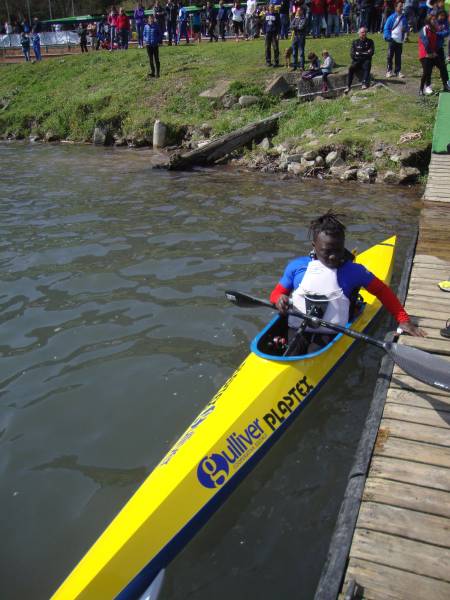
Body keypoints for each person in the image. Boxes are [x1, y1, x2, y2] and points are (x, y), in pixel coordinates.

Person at [270, 212, 425, 355]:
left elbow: (382, 291)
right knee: (291, 350)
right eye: (327, 251)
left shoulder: (354, 271)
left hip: (331, 330)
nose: (333, 256)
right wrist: (279, 300)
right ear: (314, 246)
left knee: (313, 350)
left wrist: (404, 320)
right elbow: (276, 294)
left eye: (338, 250)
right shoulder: (297, 267)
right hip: (299, 325)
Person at [418, 14, 450, 94]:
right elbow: (425, 42)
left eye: (435, 19)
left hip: (433, 54)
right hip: (425, 55)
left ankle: (445, 84)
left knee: (442, 67)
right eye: (433, 19)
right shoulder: (424, 29)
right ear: (429, 21)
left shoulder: (434, 30)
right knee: (426, 72)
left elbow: (438, 37)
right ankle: (423, 89)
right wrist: (430, 52)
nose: (435, 21)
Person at [344, 26, 375, 91]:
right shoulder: (355, 42)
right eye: (362, 32)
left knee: (368, 64)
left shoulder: (370, 41)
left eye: (365, 32)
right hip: (356, 61)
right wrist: (365, 53)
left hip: (365, 61)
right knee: (351, 68)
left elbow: (371, 53)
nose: (364, 33)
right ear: (359, 33)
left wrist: (359, 53)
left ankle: (364, 83)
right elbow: (352, 54)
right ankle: (348, 86)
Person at [384, 2, 408, 77]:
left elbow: (406, 27)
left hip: (400, 40)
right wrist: (388, 37)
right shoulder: (391, 17)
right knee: (390, 56)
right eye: (400, 6)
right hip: (392, 39)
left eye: (402, 6)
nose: (401, 8)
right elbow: (386, 28)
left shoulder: (404, 18)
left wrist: (406, 30)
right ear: (396, 8)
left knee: (398, 57)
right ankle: (389, 70)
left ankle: (398, 71)